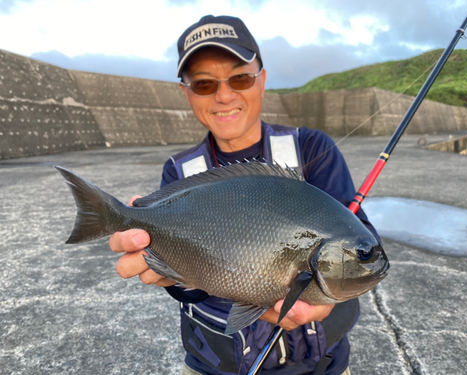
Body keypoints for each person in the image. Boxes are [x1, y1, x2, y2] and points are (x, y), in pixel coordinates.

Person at [109, 15, 378, 375]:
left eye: (240, 77)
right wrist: (170, 273)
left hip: (322, 366)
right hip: (217, 365)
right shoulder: (179, 171)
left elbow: (357, 238)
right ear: (185, 92)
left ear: (262, 80)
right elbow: (187, 285)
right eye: (204, 84)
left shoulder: (312, 147)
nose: (224, 95)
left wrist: (324, 298)